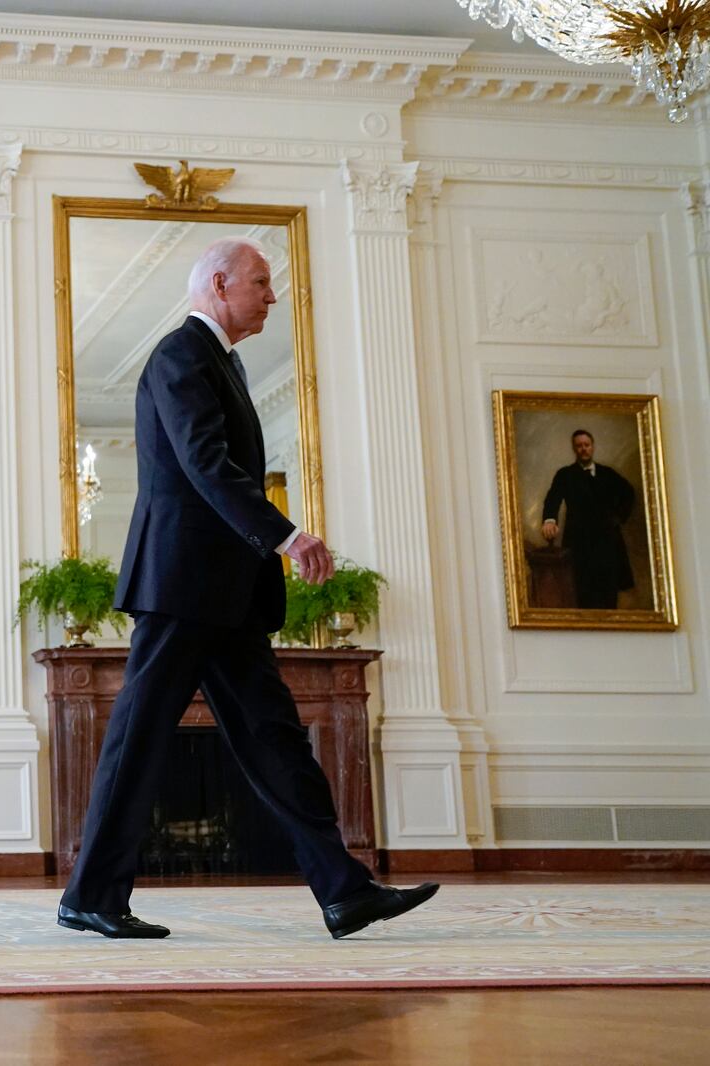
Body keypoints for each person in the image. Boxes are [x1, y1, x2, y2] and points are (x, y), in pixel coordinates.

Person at [57, 236, 438, 941]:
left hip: (225, 595)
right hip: (181, 588)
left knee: (275, 740)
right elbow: (205, 465)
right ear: (221, 284)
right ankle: (91, 896)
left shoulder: (221, 363)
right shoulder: (180, 355)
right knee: (138, 742)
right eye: (262, 283)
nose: (272, 296)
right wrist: (289, 535)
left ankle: (344, 891)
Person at [540, 429, 636, 610]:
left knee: (609, 593)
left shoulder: (608, 473)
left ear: (592, 447)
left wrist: (618, 517)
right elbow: (553, 498)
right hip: (579, 543)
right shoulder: (565, 474)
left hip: (608, 543)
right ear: (574, 449)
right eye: (579, 446)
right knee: (582, 592)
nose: (583, 449)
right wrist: (550, 520)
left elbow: (628, 493)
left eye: (586, 445)